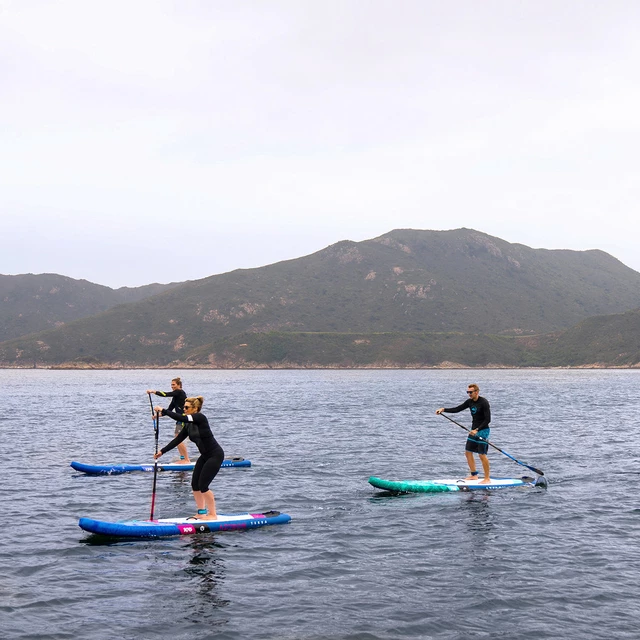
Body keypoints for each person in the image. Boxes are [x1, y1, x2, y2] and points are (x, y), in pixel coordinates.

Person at [153, 396, 224, 520]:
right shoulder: (188, 425)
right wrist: (162, 451)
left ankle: (213, 514)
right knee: (195, 484)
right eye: (183, 407)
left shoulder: (200, 418)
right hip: (205, 456)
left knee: (203, 485)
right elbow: (178, 440)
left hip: (215, 455)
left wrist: (163, 410)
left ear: (195, 408)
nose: (183, 409)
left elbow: (180, 417)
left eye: (186, 407)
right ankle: (201, 512)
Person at [436, 384, 491, 483]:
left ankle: (487, 478)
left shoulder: (484, 402)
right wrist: (443, 409)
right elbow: (457, 409)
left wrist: (477, 430)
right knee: (468, 452)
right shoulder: (469, 402)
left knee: (481, 455)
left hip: (483, 430)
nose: (469, 394)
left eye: (470, 392)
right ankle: (474, 475)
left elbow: (488, 419)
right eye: (468, 392)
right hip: (473, 430)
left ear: (476, 392)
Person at [147, 377, 191, 463]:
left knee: (178, 438)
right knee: (177, 438)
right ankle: (183, 458)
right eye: (171, 385)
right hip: (179, 419)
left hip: (183, 419)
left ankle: (186, 459)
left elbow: (165, 394)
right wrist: (157, 416)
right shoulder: (175, 397)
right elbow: (169, 410)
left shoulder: (180, 392)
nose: (172, 386)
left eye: (174, 385)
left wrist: (153, 391)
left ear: (179, 385)